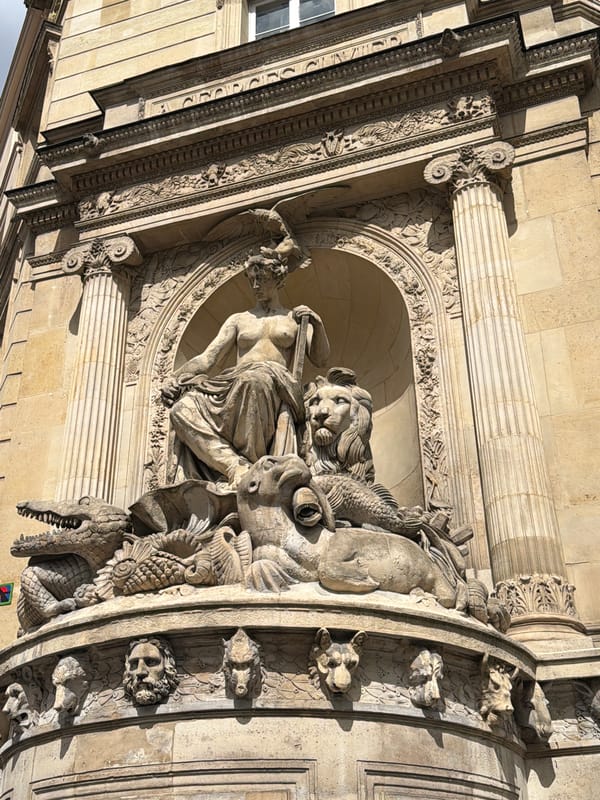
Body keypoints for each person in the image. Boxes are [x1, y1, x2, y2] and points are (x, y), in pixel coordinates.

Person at [161, 252, 330, 486]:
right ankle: (235, 465)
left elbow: (320, 358)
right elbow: (207, 359)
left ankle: (256, 468)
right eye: (252, 280)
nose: (256, 286)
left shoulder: (293, 319)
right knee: (181, 410)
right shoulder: (239, 319)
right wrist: (176, 378)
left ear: (278, 279)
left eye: (261, 279)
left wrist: (317, 324)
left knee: (254, 380)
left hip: (272, 383)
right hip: (235, 383)